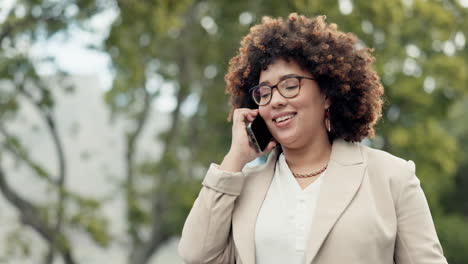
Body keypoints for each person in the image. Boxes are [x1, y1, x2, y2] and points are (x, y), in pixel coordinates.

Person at [178, 13, 447, 264]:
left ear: (327, 93)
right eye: (264, 92)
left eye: (290, 85)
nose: (277, 100)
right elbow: (196, 255)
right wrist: (235, 158)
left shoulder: (392, 177)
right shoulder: (244, 187)